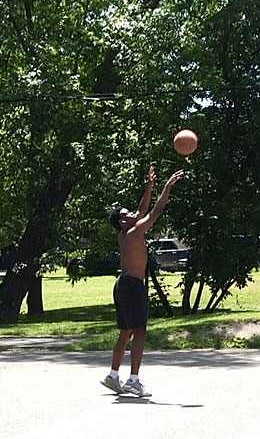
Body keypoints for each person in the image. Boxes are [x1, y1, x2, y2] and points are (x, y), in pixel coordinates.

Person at [100, 166, 184, 397]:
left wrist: (149, 185)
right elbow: (155, 211)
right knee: (141, 331)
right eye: (126, 215)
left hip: (123, 285)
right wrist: (167, 187)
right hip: (132, 286)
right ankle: (133, 380)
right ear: (121, 222)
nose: (132, 214)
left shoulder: (125, 233)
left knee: (126, 331)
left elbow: (141, 210)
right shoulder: (133, 232)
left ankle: (113, 376)